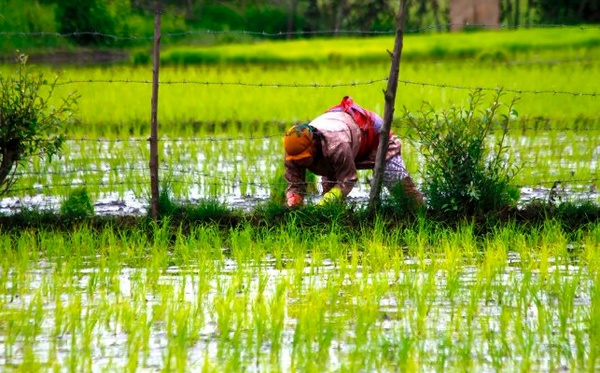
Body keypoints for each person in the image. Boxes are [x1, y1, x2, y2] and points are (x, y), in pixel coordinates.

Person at [284, 96, 423, 207]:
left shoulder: (337, 144)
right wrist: (294, 198)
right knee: (331, 204)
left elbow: (347, 179)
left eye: (303, 157)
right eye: (296, 159)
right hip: (342, 141)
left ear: (314, 144)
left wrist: (327, 200)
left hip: (373, 135)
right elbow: (295, 184)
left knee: (401, 189)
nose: (300, 161)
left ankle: (421, 214)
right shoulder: (293, 149)